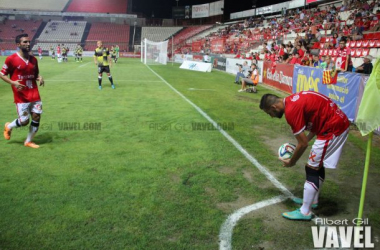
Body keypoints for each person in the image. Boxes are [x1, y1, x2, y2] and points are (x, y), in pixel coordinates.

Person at [259, 91, 349, 220]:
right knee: (316, 165)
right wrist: (305, 140)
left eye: (269, 113)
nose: (271, 116)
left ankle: (305, 211)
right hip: (334, 124)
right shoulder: (293, 100)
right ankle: (313, 201)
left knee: (311, 169)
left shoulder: (291, 112)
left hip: (333, 129)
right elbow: (316, 120)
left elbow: (303, 144)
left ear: (274, 107)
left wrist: (291, 162)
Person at [1, 34, 45, 149]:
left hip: (34, 93)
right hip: (21, 96)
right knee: (24, 121)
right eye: (25, 42)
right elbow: (2, 74)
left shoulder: (34, 60)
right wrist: (13, 82)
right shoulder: (11, 59)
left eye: (29, 42)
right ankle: (9, 126)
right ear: (18, 44)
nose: (28, 44)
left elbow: (35, 74)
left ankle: (28, 141)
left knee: (36, 116)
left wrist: (39, 77)